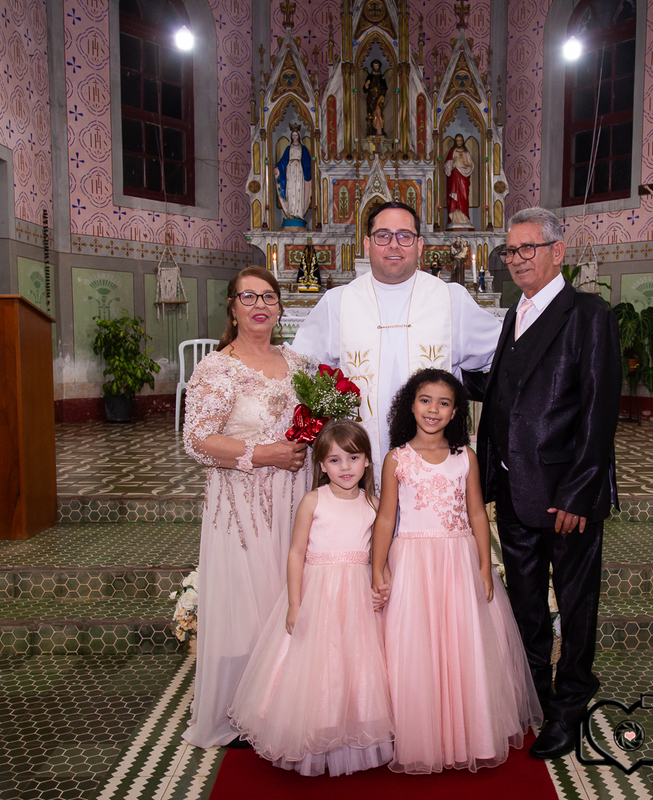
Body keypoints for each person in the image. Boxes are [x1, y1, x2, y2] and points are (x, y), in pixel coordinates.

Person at [476, 206, 622, 759]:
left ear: (558, 252)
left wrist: (580, 492)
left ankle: (571, 703)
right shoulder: (514, 314)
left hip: (567, 496)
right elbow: (507, 388)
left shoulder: (589, 315)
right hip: (514, 489)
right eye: (510, 251)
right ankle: (534, 695)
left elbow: (598, 411)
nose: (517, 260)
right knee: (527, 602)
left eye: (527, 248)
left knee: (577, 603)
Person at [372, 369, 541, 773]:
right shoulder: (397, 459)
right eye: (425, 400)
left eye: (444, 403)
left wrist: (484, 565)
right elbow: (385, 518)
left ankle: (469, 731)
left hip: (458, 561)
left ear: (455, 413)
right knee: (416, 645)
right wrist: (377, 568)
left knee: (462, 643)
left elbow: (477, 513)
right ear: (411, 405)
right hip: (412, 562)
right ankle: (421, 732)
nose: (433, 409)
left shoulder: (465, 457)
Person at [181, 265, 312, 748]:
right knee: (249, 603)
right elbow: (196, 440)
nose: (260, 305)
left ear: (279, 308)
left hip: (295, 499)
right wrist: (264, 454)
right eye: (248, 297)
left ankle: (285, 705)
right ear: (232, 308)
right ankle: (240, 709)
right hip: (243, 504)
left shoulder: (299, 363)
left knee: (288, 597)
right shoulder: (217, 368)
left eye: (268, 297)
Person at [230, 420, 393, 776]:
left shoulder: (373, 504)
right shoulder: (313, 501)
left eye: (353, 457)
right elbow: (296, 553)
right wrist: (295, 603)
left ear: (367, 460)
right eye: (335, 460)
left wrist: (381, 585)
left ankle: (351, 728)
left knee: (355, 662)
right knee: (318, 661)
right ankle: (314, 726)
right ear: (321, 465)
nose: (345, 467)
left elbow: (382, 554)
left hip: (356, 599)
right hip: (318, 595)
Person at [291, 201, 501, 479]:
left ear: (420, 245)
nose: (394, 244)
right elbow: (298, 369)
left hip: (435, 467)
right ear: (367, 244)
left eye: (404, 236)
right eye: (383, 235)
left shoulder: (451, 300)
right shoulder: (338, 302)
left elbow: (503, 357)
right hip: (356, 469)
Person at [275, 125, 312, 226]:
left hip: (299, 171)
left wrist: (310, 171)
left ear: (299, 136)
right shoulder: (289, 148)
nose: (295, 137)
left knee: (299, 190)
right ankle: (290, 213)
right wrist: (278, 168)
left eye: (296, 135)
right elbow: (283, 161)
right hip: (290, 171)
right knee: (290, 190)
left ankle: (299, 214)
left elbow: (307, 162)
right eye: (293, 135)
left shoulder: (303, 148)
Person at [443, 134, 474, 228]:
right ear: (455, 142)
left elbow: (471, 165)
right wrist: (452, 162)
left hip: (464, 179)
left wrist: (467, 164)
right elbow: (447, 167)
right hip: (455, 178)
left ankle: (464, 218)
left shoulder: (466, 152)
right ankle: (455, 219)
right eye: (457, 141)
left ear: (463, 141)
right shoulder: (452, 152)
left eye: (460, 140)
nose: (459, 142)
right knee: (455, 198)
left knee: (464, 197)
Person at [364, 60, 388, 136]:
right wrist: (366, 85)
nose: (376, 67)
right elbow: (365, 90)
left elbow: (384, 88)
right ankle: (372, 129)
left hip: (379, 98)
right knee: (371, 114)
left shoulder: (381, 77)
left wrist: (382, 96)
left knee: (379, 112)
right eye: (374, 66)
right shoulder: (369, 77)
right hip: (371, 99)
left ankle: (379, 129)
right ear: (372, 67)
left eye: (377, 66)